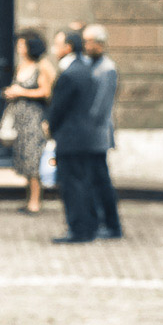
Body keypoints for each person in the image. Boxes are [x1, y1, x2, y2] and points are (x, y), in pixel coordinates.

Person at [44, 29, 105, 243]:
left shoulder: (69, 73)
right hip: (85, 136)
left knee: (72, 186)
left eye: (58, 44)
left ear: (68, 47)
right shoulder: (85, 69)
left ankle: (78, 229)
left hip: (70, 137)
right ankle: (88, 226)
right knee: (84, 183)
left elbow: (59, 108)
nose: (55, 48)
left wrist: (50, 127)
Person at [0, 29, 57, 214]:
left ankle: (35, 202)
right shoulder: (22, 65)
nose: (19, 47)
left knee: (34, 159)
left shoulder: (43, 66)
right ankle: (29, 198)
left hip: (35, 118)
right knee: (24, 158)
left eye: (22, 44)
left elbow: (46, 92)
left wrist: (20, 92)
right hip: (20, 119)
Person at [82, 23, 123, 239]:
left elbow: (101, 106)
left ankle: (111, 225)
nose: (86, 45)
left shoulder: (107, 68)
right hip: (90, 133)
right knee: (93, 180)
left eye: (89, 41)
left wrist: (86, 125)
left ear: (99, 43)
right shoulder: (91, 64)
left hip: (97, 134)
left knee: (101, 181)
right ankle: (98, 221)